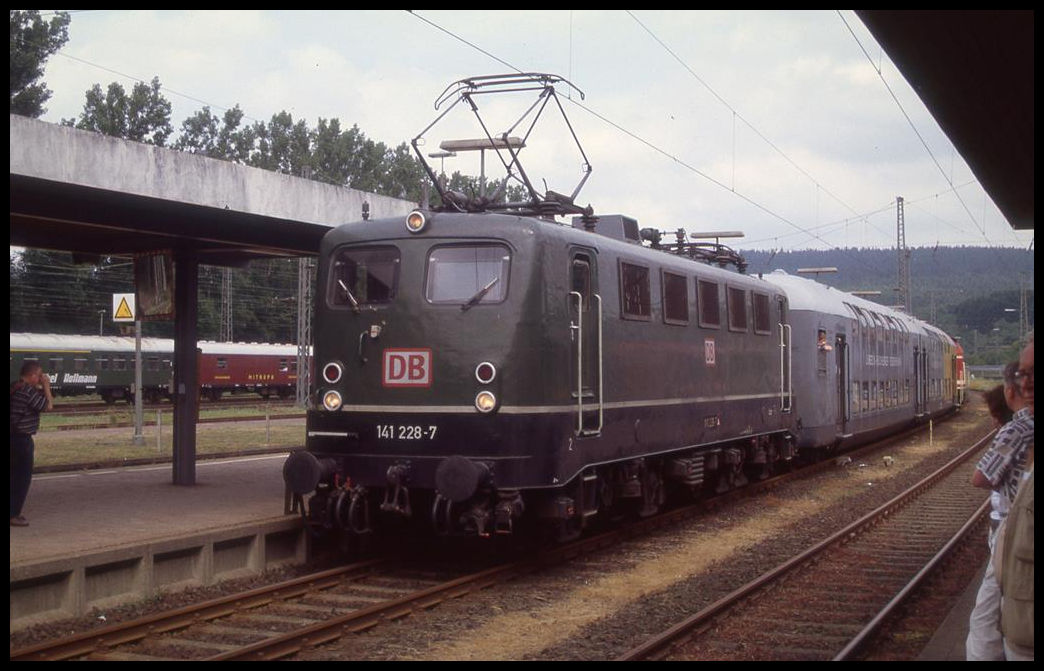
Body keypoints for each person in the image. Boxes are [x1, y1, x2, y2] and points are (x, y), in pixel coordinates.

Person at [966, 353, 1033, 661]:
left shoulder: (1017, 428)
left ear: (1009, 391)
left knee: (987, 615)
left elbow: (981, 477)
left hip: (1013, 528)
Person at [10, 361, 53, 527]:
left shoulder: (15, 386)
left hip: (12, 436)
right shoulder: (28, 391)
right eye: (40, 375)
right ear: (32, 375)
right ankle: (14, 514)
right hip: (21, 439)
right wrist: (47, 387)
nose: (41, 378)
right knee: (22, 478)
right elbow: (48, 406)